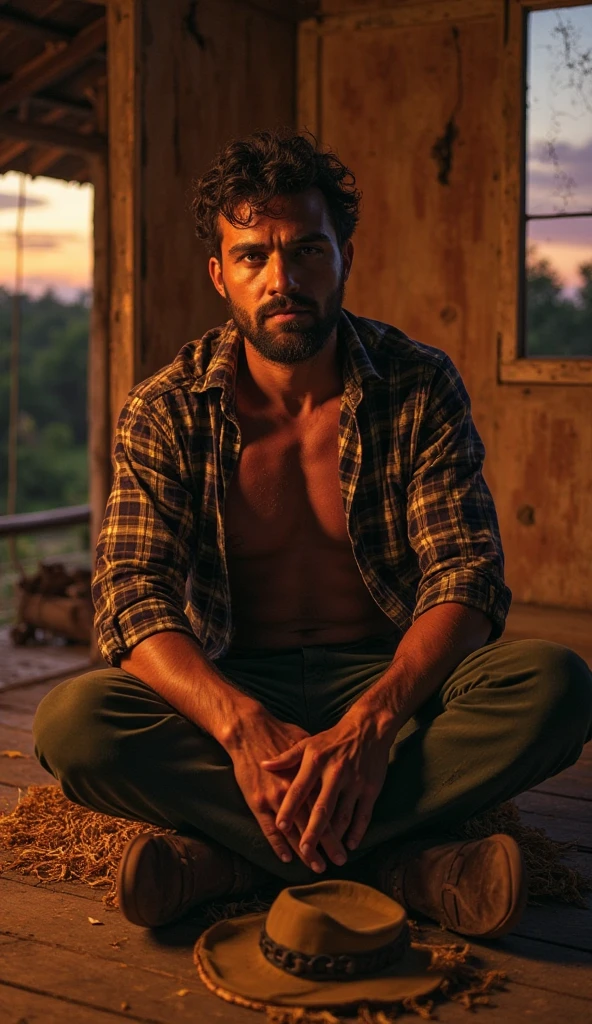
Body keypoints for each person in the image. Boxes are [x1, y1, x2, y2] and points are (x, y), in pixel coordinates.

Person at [34, 129, 592, 937]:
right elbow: (130, 594)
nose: (282, 279)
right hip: (234, 681)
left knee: (558, 689)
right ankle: (411, 864)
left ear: (345, 256)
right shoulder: (166, 407)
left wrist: (372, 724)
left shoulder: (417, 384)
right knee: (74, 725)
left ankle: (226, 862)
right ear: (220, 273)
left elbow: (465, 576)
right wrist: (239, 725)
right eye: (254, 256)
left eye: (306, 250)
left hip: (390, 678)